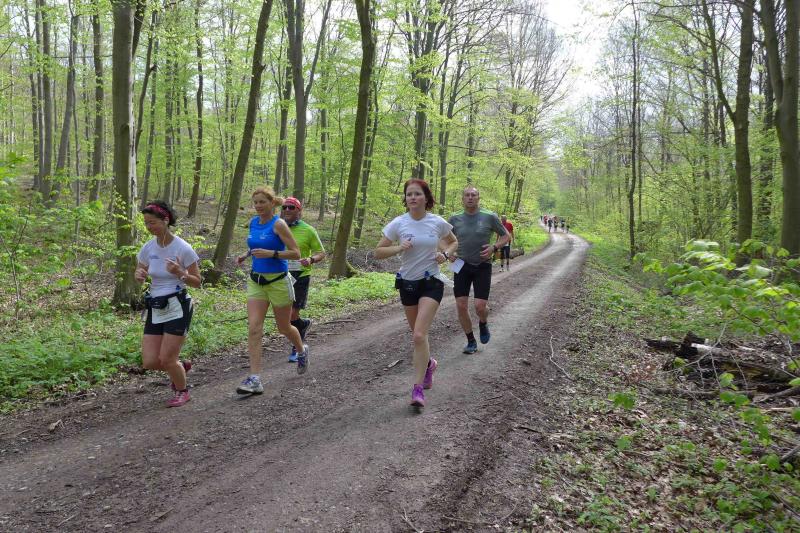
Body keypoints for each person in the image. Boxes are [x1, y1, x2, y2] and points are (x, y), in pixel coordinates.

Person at [375, 179, 458, 408]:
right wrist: (398, 247)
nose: (412, 197)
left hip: (431, 282)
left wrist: (445, 255)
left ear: (426, 197)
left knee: (419, 335)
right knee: (417, 335)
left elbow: (453, 243)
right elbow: (379, 251)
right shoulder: (398, 223)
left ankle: (417, 389)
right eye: (409, 194)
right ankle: (429, 364)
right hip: (408, 284)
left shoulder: (437, 222)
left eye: (417, 194)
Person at [235, 187, 308, 395]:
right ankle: (255, 379)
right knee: (254, 328)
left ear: (271, 203)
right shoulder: (253, 222)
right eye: (255, 202)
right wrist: (246, 255)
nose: (258, 206)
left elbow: (295, 253)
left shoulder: (279, 224)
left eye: (262, 202)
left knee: (284, 328)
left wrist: (272, 254)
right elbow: (255, 244)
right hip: (256, 281)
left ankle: (301, 350)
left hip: (278, 282)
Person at [135, 201, 202, 408]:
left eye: (153, 222)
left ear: (166, 220)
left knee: (167, 359)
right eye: (146, 223)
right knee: (150, 361)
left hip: (177, 304)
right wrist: (139, 274)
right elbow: (140, 269)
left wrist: (180, 273)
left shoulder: (183, 248)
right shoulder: (148, 247)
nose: (149, 227)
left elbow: (197, 282)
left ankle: (182, 391)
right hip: (156, 305)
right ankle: (180, 367)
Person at [448, 186, 509, 354]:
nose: (470, 198)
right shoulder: (454, 218)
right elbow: (443, 239)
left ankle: (483, 322)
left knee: (480, 307)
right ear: (462, 198)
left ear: (478, 198)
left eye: (473, 195)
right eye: (467, 195)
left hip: (483, 265)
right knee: (461, 305)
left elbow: (506, 236)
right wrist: (448, 253)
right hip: (461, 265)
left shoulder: (490, 216)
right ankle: (471, 341)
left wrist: (494, 247)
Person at [279, 196, 325, 362]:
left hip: (300, 275)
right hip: (279, 275)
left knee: (292, 313)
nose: (287, 210)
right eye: (284, 207)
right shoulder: (276, 228)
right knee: (284, 316)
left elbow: (321, 253)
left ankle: (296, 347)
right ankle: (303, 324)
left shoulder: (308, 230)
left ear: (299, 211)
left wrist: (311, 259)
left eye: (291, 207)